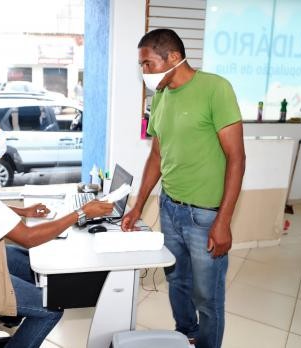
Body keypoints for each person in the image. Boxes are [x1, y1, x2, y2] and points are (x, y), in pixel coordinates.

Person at [0, 109, 113, 348]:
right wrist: (81, 213)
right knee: (52, 306)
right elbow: (27, 237)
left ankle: (10, 313)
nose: (0, 133)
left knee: (32, 267)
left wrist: (23, 211)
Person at [121, 29, 245, 348]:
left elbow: (237, 158)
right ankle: (186, 334)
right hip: (170, 207)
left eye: (148, 64)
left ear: (173, 58)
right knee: (176, 281)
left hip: (205, 216)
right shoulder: (161, 96)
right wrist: (137, 206)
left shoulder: (215, 89)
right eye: (142, 65)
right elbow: (157, 156)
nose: (144, 72)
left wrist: (223, 221)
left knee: (208, 296)